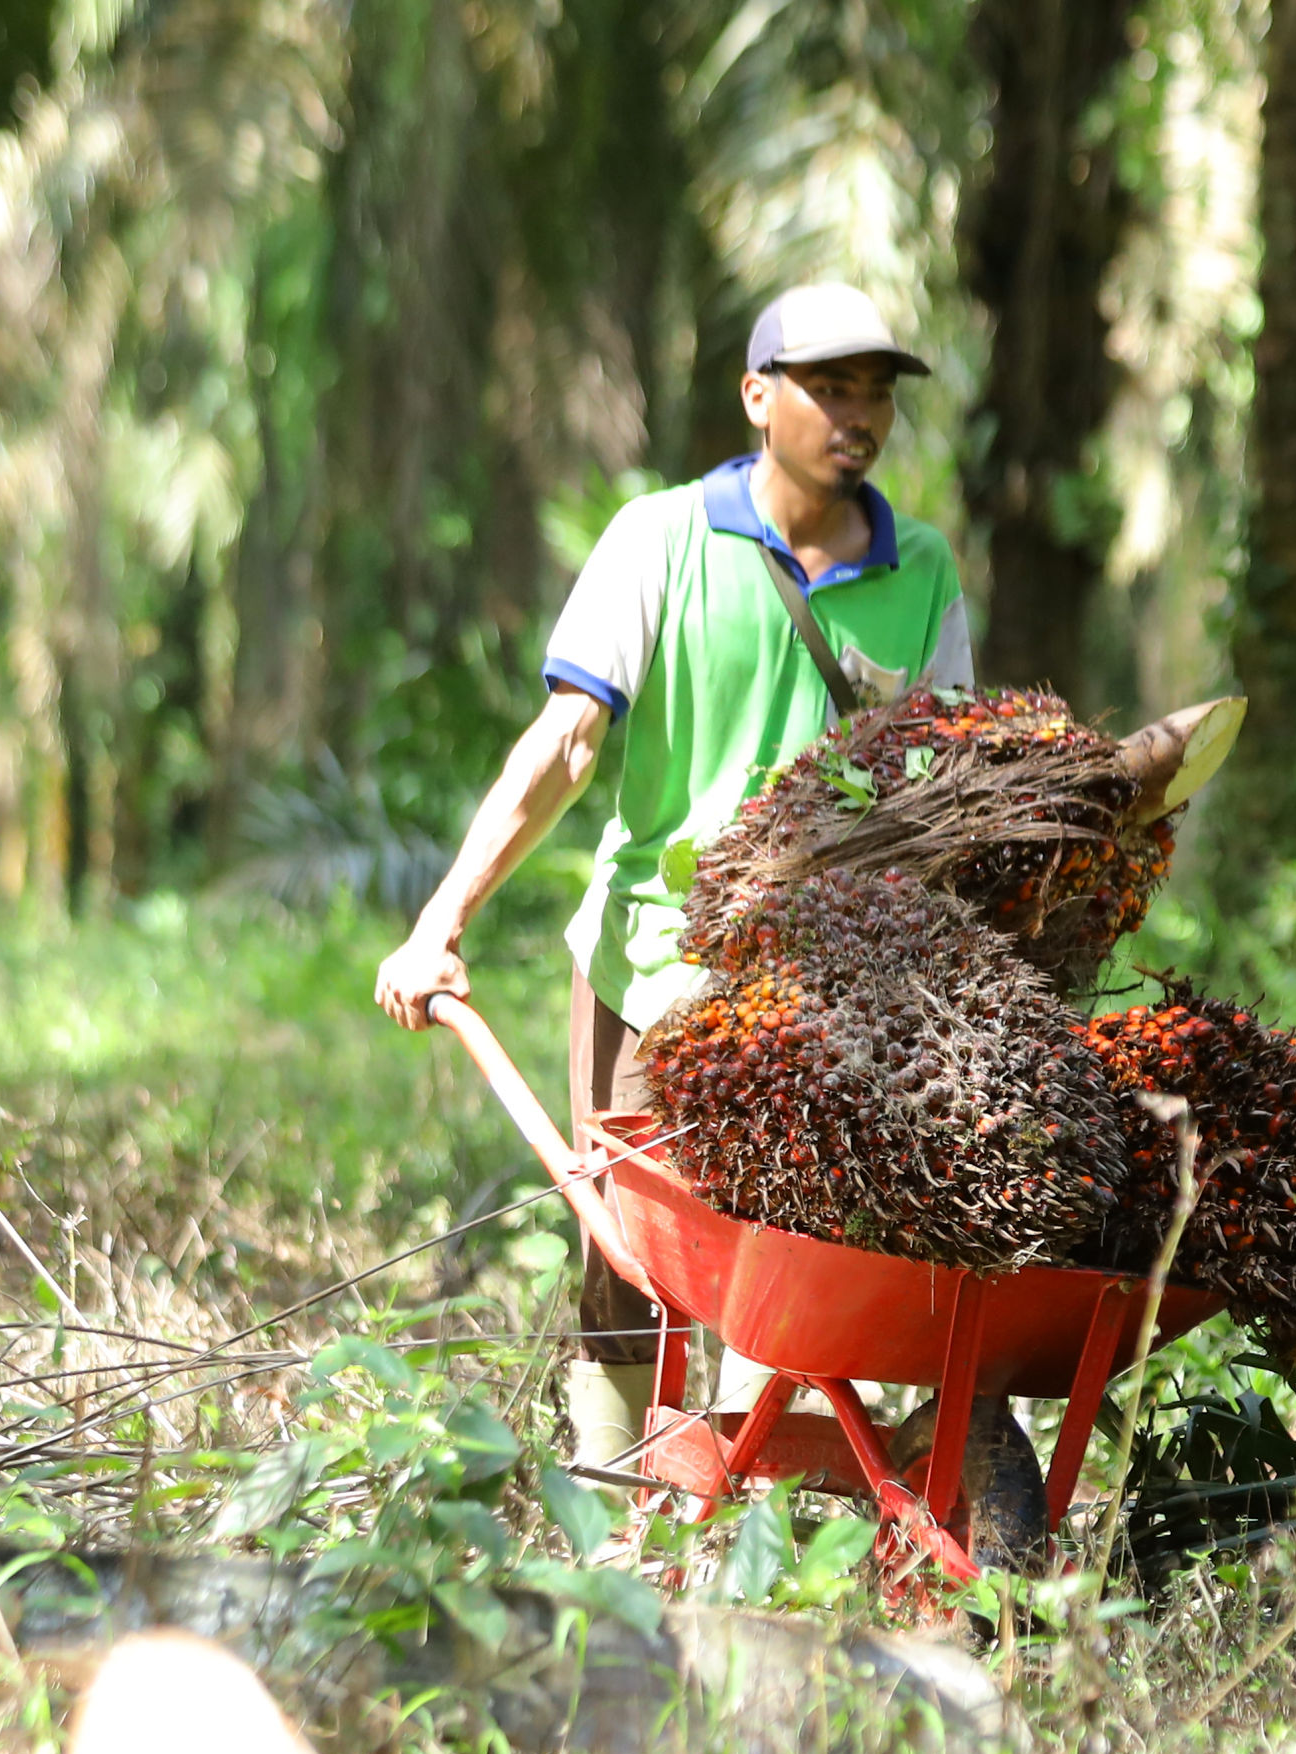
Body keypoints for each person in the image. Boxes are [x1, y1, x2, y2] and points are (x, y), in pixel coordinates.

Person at [373, 283, 976, 1480]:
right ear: (758, 397)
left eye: (876, 394)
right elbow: (566, 743)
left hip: (822, 986)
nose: (856, 416)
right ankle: (608, 1513)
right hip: (653, 965)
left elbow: (945, 782)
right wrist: (442, 917)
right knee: (630, 1246)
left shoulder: (926, 571)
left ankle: (754, 1499)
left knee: (792, 1260)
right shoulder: (660, 540)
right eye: (827, 388)